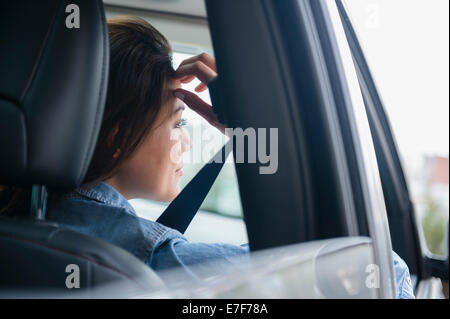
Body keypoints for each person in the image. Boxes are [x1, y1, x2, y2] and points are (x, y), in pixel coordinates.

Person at [0, 16, 414, 298]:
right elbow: (383, 271)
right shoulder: (154, 261)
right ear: (118, 134)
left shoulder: (17, 226)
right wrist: (249, 128)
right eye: (178, 122)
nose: (186, 142)